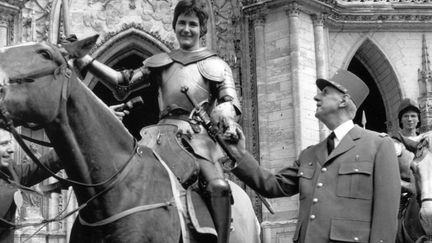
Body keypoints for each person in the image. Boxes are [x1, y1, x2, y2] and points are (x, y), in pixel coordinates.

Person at [69, 1, 241, 242]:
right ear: (174, 26)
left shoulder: (217, 65)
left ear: (202, 29)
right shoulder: (162, 63)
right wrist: (87, 61)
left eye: (193, 24)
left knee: (218, 187)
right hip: (158, 138)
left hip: (197, 140)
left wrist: (227, 118)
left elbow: (229, 102)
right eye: (182, 23)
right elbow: (123, 82)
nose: (187, 29)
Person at [223, 70, 401, 243]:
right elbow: (272, 185)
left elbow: (385, 215)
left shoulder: (378, 145)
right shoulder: (310, 154)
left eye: (324, 93)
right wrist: (239, 153)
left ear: (343, 101)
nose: (316, 97)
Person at [0, 129, 62, 242]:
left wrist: (67, 150)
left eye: (10, 142)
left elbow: (33, 170)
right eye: (4, 144)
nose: (12, 149)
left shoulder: (8, 170)